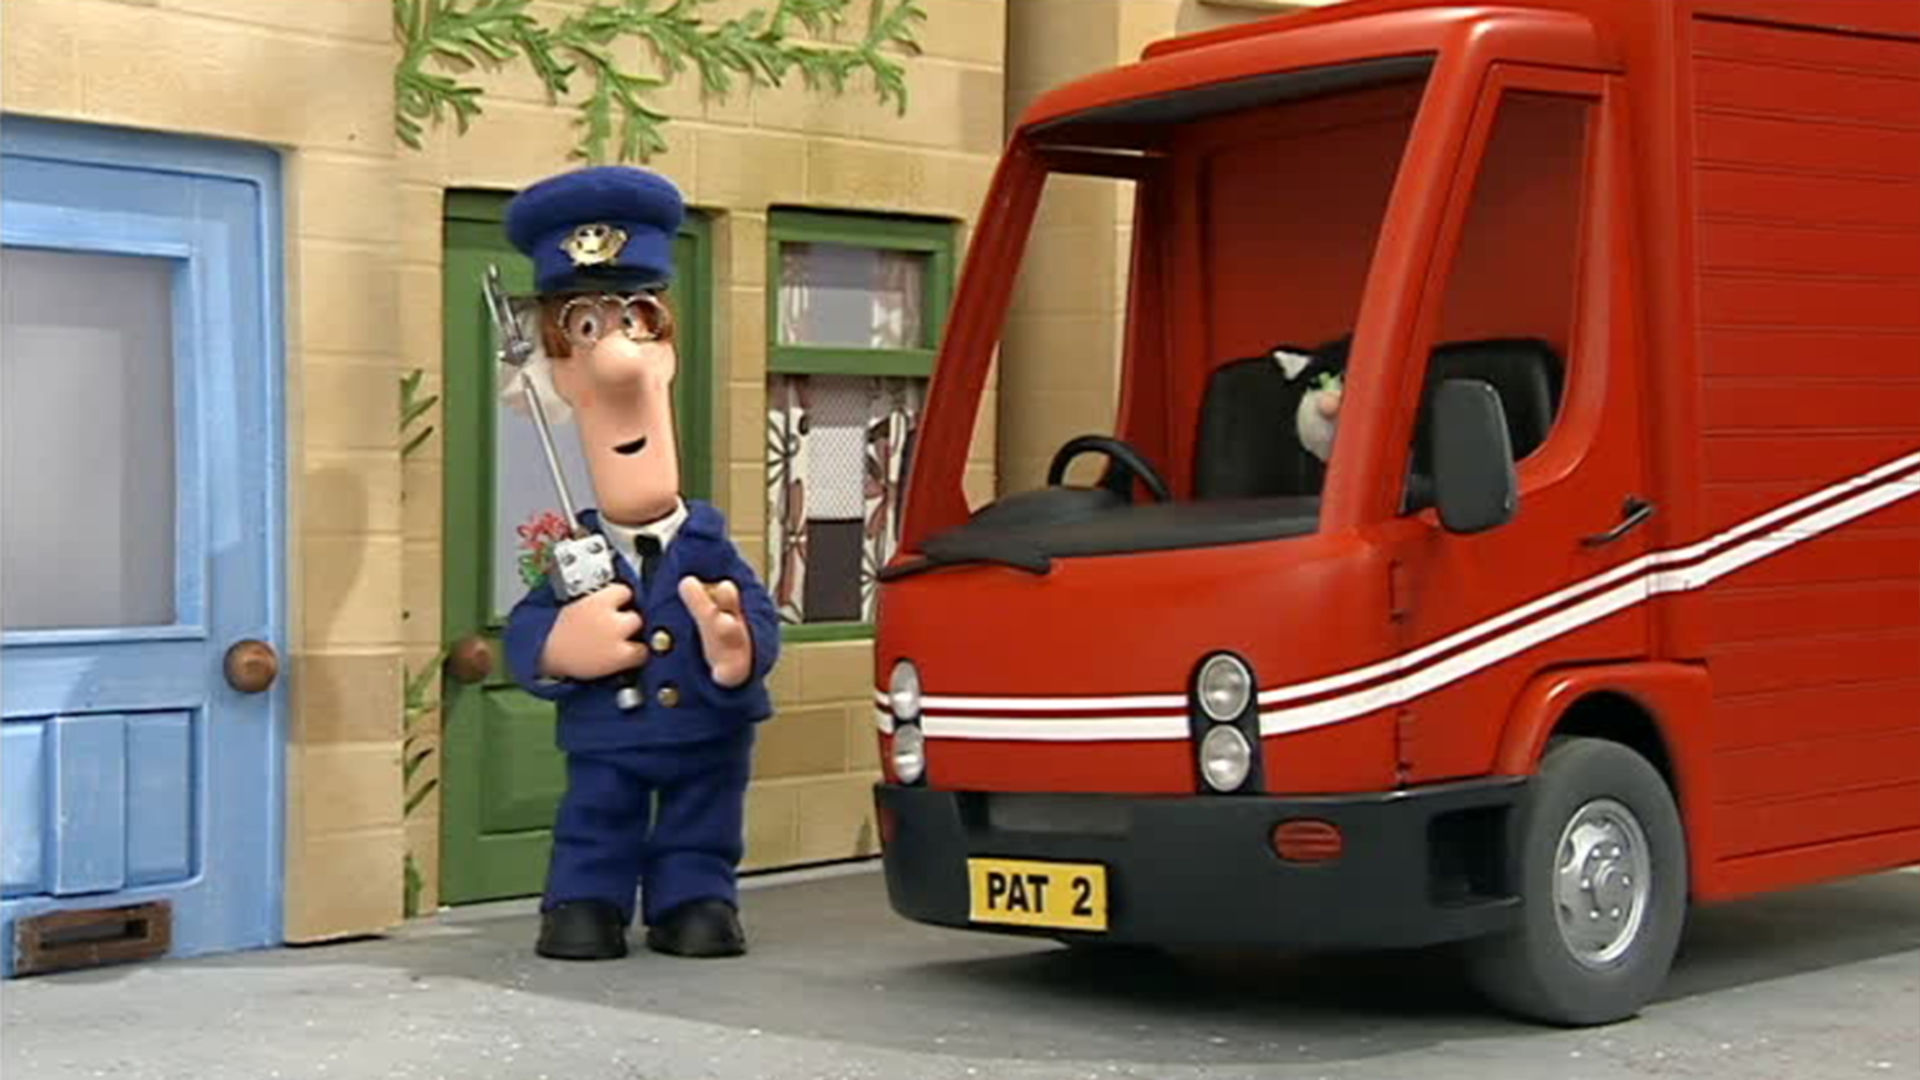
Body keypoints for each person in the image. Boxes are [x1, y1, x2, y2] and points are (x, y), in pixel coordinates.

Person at [497, 165, 780, 961]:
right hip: (609, 737)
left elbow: (755, 614)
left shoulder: (708, 546)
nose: (617, 350)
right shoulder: (577, 558)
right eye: (586, 325)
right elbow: (528, 632)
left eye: (635, 319)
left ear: (666, 347)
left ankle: (695, 903)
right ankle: (584, 903)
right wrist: (560, 647)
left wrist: (738, 650)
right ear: (560, 373)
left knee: (703, 820)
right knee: (596, 818)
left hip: (704, 732)